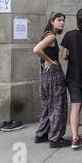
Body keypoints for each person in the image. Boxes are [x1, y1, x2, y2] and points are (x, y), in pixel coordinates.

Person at [33, 12, 70, 148]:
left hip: (44, 75)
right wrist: (50, 61)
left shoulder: (46, 34)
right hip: (53, 75)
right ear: (52, 21)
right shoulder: (51, 36)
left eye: (63, 20)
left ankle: (42, 133)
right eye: (59, 20)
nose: (62, 22)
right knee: (57, 105)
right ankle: (55, 138)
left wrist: (46, 60)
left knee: (48, 105)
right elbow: (37, 50)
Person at [61, 8, 82, 149]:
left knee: (75, 106)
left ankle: (75, 138)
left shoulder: (69, 35)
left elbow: (63, 56)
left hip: (73, 76)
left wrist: (72, 56)